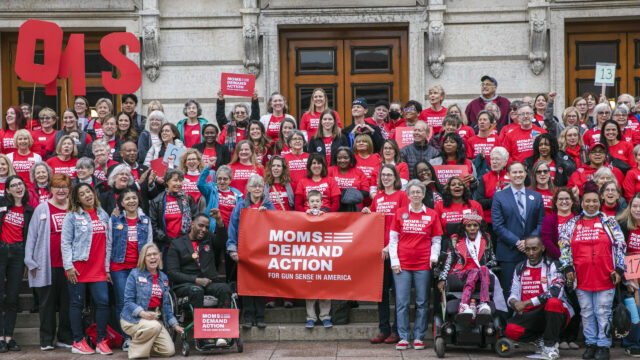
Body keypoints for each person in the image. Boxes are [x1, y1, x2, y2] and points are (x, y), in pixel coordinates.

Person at [559, 181, 625, 360]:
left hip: (606, 275)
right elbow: (564, 246)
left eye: (595, 201)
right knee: (586, 312)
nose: (591, 204)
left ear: (600, 201)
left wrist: (619, 269)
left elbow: (620, 245)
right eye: (587, 201)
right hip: (582, 276)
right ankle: (590, 343)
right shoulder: (572, 223)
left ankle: (603, 346)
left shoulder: (609, 221)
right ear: (581, 202)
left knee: (603, 311)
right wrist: (567, 267)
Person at [389, 179, 442, 351]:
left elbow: (436, 240)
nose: (416, 195)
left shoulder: (432, 214)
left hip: (423, 265)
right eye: (412, 192)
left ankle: (419, 337)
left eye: (419, 192)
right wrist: (394, 262)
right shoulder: (400, 213)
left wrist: (433, 257)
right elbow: (393, 240)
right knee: (402, 303)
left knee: (422, 302)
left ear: (424, 194)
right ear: (408, 194)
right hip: (402, 265)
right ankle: (404, 337)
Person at [61, 183, 112, 355]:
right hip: (78, 267)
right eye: (82, 194)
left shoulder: (102, 214)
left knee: (103, 302)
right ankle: (78, 341)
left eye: (88, 191)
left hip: (98, 269)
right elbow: (65, 243)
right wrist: (68, 266)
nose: (87, 195)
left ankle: (101, 341)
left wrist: (107, 268)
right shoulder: (71, 217)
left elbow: (108, 243)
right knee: (76, 303)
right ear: (77, 199)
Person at [166, 214, 232, 347]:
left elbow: (222, 240)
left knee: (225, 288)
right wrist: (195, 280)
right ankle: (203, 334)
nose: (204, 230)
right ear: (192, 224)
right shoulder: (177, 244)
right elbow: (172, 272)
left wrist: (219, 222)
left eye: (207, 227)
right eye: (200, 225)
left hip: (209, 282)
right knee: (197, 290)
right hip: (186, 285)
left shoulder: (209, 239)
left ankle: (222, 332)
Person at [504, 236, 574, 360]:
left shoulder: (553, 265)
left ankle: (550, 345)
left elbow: (555, 291)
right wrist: (514, 302)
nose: (531, 253)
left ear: (542, 248)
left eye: (534, 249)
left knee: (553, 302)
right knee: (510, 330)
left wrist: (526, 303)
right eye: (527, 249)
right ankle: (540, 338)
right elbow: (513, 293)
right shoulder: (520, 267)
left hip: (552, 312)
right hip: (530, 314)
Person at [25, 174, 73, 351]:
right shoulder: (42, 208)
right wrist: (29, 260)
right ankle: (46, 339)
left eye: (64, 186)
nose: (61, 190)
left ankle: (65, 337)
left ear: (69, 189)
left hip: (70, 266)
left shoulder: (74, 208)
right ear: (50, 189)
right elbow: (32, 235)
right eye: (57, 187)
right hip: (46, 264)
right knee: (47, 304)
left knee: (68, 303)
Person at [491, 161, 546, 313]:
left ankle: (531, 328)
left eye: (520, 172)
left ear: (525, 173)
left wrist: (529, 243)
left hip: (532, 253)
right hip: (508, 253)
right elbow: (497, 226)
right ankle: (508, 328)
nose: (518, 175)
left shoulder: (536, 196)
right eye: (514, 172)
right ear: (508, 175)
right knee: (509, 292)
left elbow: (541, 222)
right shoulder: (499, 197)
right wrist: (517, 242)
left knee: (532, 290)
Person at [363, 164, 406, 344]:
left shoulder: (402, 196)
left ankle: (396, 330)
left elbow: (405, 222)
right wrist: (367, 212)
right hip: (379, 252)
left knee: (398, 293)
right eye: (383, 175)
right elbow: (373, 222)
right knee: (381, 294)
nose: (386, 178)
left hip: (397, 251)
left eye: (389, 175)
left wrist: (391, 245)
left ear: (396, 178)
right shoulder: (378, 198)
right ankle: (383, 329)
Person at [227, 174, 275, 328]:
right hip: (245, 250)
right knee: (247, 285)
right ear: (247, 188)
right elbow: (233, 229)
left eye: (260, 186)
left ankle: (260, 317)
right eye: (254, 186)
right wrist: (233, 249)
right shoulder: (240, 206)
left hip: (263, 252)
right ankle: (248, 317)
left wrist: (267, 215)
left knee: (260, 284)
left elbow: (278, 223)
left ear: (264, 189)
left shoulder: (269, 205)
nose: (257, 189)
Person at [121, 243, 183, 358]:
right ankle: (135, 352)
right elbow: (128, 302)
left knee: (168, 351)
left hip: (155, 319)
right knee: (154, 326)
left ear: (159, 256)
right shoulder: (135, 274)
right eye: (148, 255)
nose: (152, 257)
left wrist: (175, 325)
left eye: (155, 254)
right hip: (133, 319)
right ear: (143, 259)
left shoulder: (163, 277)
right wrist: (143, 313)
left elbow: (167, 306)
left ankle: (141, 346)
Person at [109, 188, 153, 351]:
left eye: (134, 198)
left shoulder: (145, 220)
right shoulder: (114, 219)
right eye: (127, 199)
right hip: (119, 267)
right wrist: (107, 269)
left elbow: (149, 245)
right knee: (123, 302)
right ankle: (127, 338)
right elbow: (109, 244)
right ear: (121, 203)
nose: (131, 201)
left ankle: (139, 335)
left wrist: (148, 267)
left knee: (141, 301)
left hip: (139, 268)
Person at [437, 211, 497, 326]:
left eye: (475, 225)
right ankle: (464, 305)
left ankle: (483, 304)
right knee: (475, 270)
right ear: (464, 227)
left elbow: (493, 260)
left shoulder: (486, 239)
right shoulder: (455, 240)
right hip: (460, 274)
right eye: (469, 225)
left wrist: (485, 267)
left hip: (480, 274)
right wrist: (442, 278)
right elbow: (449, 260)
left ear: (479, 226)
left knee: (482, 269)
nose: (472, 228)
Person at [0, 175, 34, 352]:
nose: (18, 187)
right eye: (13, 185)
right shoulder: (1, 205)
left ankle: (9, 337)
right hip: (1, 250)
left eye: (20, 184)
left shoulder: (29, 210)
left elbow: (31, 236)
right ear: (7, 190)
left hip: (19, 253)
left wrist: (28, 261)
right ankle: (0, 337)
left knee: (13, 298)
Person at [197, 163, 243, 280]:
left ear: (230, 180)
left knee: (231, 262)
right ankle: (213, 287)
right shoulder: (211, 190)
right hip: (215, 231)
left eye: (225, 179)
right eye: (219, 178)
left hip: (231, 233)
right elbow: (200, 184)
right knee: (213, 260)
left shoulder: (237, 194)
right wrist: (207, 167)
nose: (222, 181)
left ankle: (231, 288)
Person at [297, 190, 334, 328]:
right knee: (310, 289)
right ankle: (311, 317)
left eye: (317, 201)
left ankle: (325, 316)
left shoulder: (327, 216)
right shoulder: (303, 217)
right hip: (309, 257)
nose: (314, 204)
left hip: (324, 257)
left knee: (325, 289)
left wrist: (323, 217)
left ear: (321, 203)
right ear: (307, 203)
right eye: (312, 201)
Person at [149, 169, 198, 251]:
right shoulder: (157, 201)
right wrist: (167, 239)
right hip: (167, 246)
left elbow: (195, 219)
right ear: (167, 181)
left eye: (180, 181)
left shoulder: (187, 198)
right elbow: (153, 225)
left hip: (186, 244)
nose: (178, 184)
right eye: (175, 180)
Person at [617, 193, 640, 356]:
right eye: (635, 206)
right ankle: (631, 342)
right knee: (635, 305)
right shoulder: (623, 224)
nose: (638, 210)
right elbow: (620, 253)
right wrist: (630, 279)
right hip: (629, 270)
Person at [477, 147, 510, 225]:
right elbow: (480, 202)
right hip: (489, 221)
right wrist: (498, 200)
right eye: (492, 159)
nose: (494, 162)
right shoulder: (484, 178)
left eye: (497, 159)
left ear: (505, 162)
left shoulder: (511, 176)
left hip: (508, 220)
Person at [329, 147, 368, 211]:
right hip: (335, 209)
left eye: (346, 158)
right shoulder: (330, 171)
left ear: (351, 159)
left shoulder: (359, 172)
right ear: (336, 159)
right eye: (339, 158)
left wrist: (349, 195)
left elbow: (365, 191)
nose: (342, 160)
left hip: (354, 209)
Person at [354, 134, 381, 199]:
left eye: (364, 141)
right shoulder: (352, 158)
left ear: (369, 144)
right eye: (358, 142)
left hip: (373, 192)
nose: (361, 143)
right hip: (358, 192)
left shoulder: (377, 158)